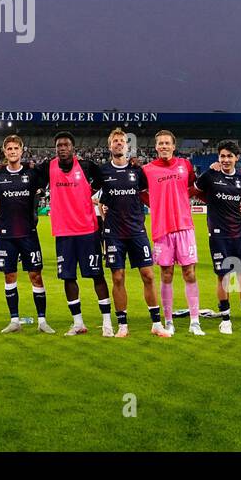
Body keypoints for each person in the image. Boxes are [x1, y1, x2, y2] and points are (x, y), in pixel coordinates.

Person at [28, 131, 112, 337]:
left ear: (73, 148)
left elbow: (106, 181)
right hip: (63, 232)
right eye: (58, 146)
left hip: (87, 230)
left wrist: (94, 195)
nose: (62, 148)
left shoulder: (86, 166)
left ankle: (107, 323)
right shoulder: (49, 166)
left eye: (65, 145)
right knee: (68, 277)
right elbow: (26, 172)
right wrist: (1, 168)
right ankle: (78, 323)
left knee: (97, 275)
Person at [97, 128, 166, 337]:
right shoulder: (102, 172)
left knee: (148, 275)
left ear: (127, 146)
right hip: (114, 233)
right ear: (109, 146)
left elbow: (149, 191)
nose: (118, 144)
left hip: (137, 231)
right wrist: (102, 208)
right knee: (117, 278)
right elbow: (95, 196)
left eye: (121, 141)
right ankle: (123, 325)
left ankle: (156, 323)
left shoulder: (138, 171)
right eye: (114, 141)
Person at [0, 134, 54, 334]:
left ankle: (42, 321)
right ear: (4, 152)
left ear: (21, 151)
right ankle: (14, 320)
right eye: (9, 149)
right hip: (6, 235)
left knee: (36, 276)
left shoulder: (31, 174)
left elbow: (50, 171)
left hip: (28, 233)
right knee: (9, 277)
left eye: (16, 148)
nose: (13, 152)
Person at [141, 131, 204, 335]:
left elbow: (194, 187)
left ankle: (195, 321)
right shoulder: (147, 170)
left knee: (190, 273)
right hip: (162, 229)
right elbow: (140, 192)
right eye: (160, 143)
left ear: (174, 146)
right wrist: (155, 205)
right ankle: (168, 321)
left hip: (185, 227)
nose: (164, 146)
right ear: (156, 147)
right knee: (166, 274)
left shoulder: (185, 165)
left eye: (167, 143)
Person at [193, 140, 241, 334]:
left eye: (230, 156)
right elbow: (194, 192)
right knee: (223, 277)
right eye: (222, 156)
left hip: (240, 233)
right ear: (218, 158)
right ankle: (226, 320)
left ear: (237, 158)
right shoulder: (210, 175)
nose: (226, 159)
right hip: (218, 235)